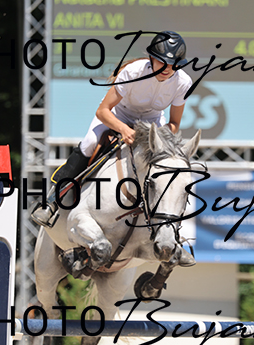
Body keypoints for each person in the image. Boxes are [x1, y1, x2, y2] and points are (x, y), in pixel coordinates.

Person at [31, 31, 193, 227]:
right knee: (90, 143)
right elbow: (102, 111)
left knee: (166, 161)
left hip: (152, 123)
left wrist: (157, 137)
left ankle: (167, 224)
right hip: (118, 115)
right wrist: (123, 129)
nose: (167, 68)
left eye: (173, 64)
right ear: (152, 58)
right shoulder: (133, 72)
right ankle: (51, 202)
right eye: (162, 61)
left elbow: (174, 124)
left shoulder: (183, 82)